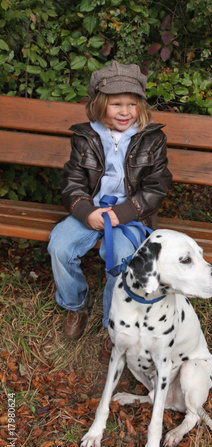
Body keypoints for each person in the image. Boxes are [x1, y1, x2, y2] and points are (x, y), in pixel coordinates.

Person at [48, 61, 172, 362]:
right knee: (59, 246)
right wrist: (84, 211)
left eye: (132, 104)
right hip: (91, 210)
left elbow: (156, 186)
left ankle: (113, 325)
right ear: (100, 105)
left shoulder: (151, 138)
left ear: (141, 106)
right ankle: (75, 303)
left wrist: (127, 211)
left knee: (122, 259)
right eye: (116, 104)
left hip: (129, 215)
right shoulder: (85, 137)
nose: (124, 111)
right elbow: (72, 182)